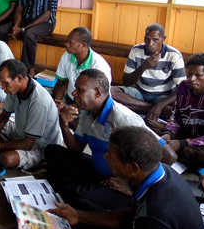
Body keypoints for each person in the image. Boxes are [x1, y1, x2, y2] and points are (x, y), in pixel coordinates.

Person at [45, 69, 175, 211]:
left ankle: (91, 193)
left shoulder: (124, 119)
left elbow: (169, 155)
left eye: (79, 90)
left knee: (78, 196)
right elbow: (76, 149)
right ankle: (88, 189)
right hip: (97, 172)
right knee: (52, 151)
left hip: (118, 181)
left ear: (97, 93)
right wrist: (64, 125)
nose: (73, 94)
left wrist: (132, 186)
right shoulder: (87, 114)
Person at [49, 126, 204, 229]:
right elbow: (131, 215)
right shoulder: (156, 171)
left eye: (111, 154)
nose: (105, 156)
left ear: (132, 168)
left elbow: (141, 219)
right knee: (80, 209)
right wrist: (78, 216)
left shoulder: (155, 216)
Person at [0, 59, 62, 170]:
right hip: (21, 132)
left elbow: (28, 144)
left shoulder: (39, 101)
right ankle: (5, 146)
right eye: (1, 82)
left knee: (6, 159)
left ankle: (4, 148)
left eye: (5, 83)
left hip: (40, 146)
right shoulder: (14, 88)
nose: (2, 87)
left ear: (19, 78)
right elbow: (4, 116)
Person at [111, 23, 185, 121]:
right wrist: (143, 67)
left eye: (155, 39)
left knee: (180, 108)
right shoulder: (136, 50)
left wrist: (160, 105)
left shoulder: (174, 55)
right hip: (139, 93)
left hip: (162, 96)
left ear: (163, 38)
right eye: (147, 39)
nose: (150, 43)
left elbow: (182, 88)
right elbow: (127, 82)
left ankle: (138, 108)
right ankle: (149, 108)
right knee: (111, 91)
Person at [161, 53, 204, 169]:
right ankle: (171, 151)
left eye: (198, 76)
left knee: (202, 157)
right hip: (186, 133)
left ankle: (171, 153)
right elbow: (176, 116)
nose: (191, 79)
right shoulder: (183, 87)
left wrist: (182, 143)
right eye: (189, 74)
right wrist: (169, 133)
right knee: (153, 131)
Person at [11, 0, 58, 77]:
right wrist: (16, 26)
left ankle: (28, 68)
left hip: (45, 24)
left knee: (29, 34)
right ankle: (0, 64)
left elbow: (46, 15)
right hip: (25, 21)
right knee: (2, 30)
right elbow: (20, 9)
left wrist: (22, 29)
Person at [53, 27, 112, 111]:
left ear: (83, 45)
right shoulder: (67, 56)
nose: (66, 44)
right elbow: (61, 84)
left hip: (89, 107)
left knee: (70, 119)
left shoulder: (99, 65)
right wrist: (57, 104)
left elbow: (99, 99)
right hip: (71, 100)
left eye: (71, 42)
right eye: (67, 41)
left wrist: (70, 108)